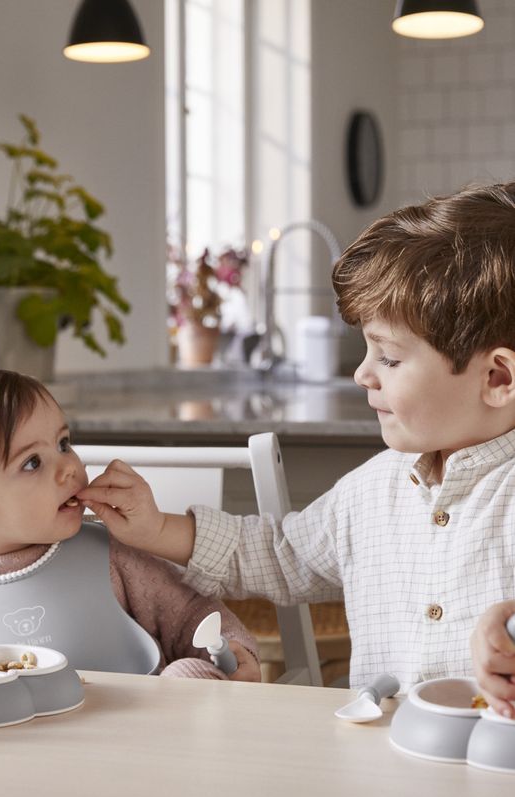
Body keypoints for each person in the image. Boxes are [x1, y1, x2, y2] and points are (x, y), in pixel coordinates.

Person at [76, 181, 515, 713]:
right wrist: (156, 529)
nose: (361, 374)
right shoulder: (371, 489)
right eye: (366, 351)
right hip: (382, 767)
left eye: (390, 359)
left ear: (497, 377)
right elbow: (278, 554)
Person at [0, 368, 260, 682]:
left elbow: (190, 613)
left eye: (63, 444)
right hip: (14, 740)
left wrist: (232, 649)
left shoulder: (110, 555)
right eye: (32, 462)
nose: (69, 467)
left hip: (140, 734)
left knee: (186, 675)